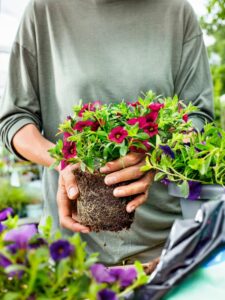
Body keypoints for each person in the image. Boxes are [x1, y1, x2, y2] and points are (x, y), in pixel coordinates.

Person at [0, 0, 214, 265]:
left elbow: (198, 118)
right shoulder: (44, 10)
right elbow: (14, 120)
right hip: (71, 254)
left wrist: (154, 159)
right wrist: (64, 163)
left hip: (163, 249)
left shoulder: (176, 11)